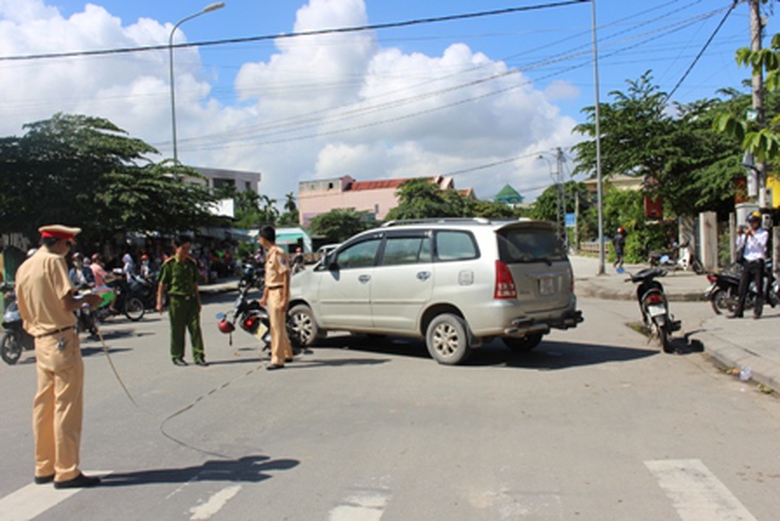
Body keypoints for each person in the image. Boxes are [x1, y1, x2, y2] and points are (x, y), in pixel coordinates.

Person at [15, 225, 103, 488]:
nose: (69, 252)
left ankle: (44, 465)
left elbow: (23, 308)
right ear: (61, 244)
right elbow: (67, 302)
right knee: (67, 406)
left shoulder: (25, 267)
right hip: (61, 338)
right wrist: (89, 299)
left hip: (40, 339)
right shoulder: (54, 263)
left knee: (44, 405)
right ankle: (66, 470)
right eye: (69, 246)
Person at [156, 235, 207, 366]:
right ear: (176, 248)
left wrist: (198, 301)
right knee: (177, 330)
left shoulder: (191, 264)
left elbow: (195, 284)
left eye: (188, 248)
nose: (186, 251)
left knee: (195, 329)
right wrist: (159, 302)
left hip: (191, 300)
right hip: (176, 301)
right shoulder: (169, 265)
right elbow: (162, 284)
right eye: (183, 248)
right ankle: (177, 356)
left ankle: (199, 355)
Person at [258, 226, 293, 370]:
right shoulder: (270, 254)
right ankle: (286, 353)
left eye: (260, 238)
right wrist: (264, 295)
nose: (259, 241)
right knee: (279, 325)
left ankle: (277, 359)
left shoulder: (278, 254)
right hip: (272, 291)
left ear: (264, 239)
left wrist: (285, 298)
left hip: (278, 292)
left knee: (275, 327)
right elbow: (269, 278)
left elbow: (285, 275)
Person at [731, 212, 769, 319]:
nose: (751, 225)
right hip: (747, 262)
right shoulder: (746, 234)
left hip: (757, 262)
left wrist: (752, 236)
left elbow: (761, 247)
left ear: (758, 223)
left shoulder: (763, 233)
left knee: (758, 287)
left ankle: (757, 311)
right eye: (750, 222)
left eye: (754, 222)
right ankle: (739, 311)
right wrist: (740, 235)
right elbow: (740, 245)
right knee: (742, 287)